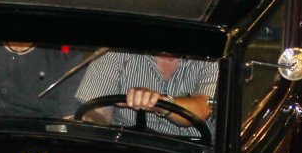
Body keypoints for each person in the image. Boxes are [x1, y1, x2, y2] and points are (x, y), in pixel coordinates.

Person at [72, 51, 219, 139]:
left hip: (191, 152)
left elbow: (202, 109)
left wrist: (159, 102)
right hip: (129, 147)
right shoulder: (115, 52)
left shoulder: (210, 58)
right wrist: (92, 122)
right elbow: (97, 111)